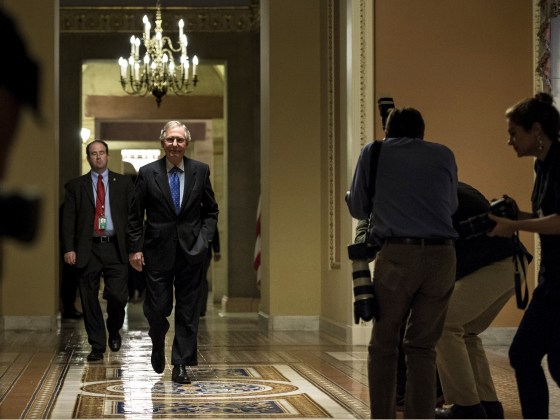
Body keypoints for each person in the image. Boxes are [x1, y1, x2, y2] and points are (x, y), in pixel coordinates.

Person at [347, 107, 458, 418]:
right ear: (422, 132)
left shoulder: (375, 151)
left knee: (384, 344)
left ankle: (382, 416)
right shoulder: (444, 154)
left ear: (388, 132)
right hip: (442, 257)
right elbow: (451, 205)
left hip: (399, 256)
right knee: (423, 347)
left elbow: (358, 207)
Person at [128, 120, 219, 385]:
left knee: (188, 311)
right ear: (162, 142)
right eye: (170, 140)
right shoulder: (147, 173)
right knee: (158, 308)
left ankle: (181, 363)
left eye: (179, 140)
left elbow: (211, 211)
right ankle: (157, 338)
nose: (175, 145)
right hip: (157, 251)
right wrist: (135, 248)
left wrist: (204, 241)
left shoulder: (200, 171)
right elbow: (135, 216)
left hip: (192, 252)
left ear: (186, 143)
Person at [488, 92, 560, 419]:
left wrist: (515, 224)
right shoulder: (542, 165)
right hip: (553, 279)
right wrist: (517, 215)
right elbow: (548, 215)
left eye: (513, 133)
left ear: (536, 130)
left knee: (525, 354)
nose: (509, 141)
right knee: (547, 361)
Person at [434, 181, 529, 419]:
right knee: (466, 332)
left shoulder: (437, 193)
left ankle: (465, 407)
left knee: (443, 324)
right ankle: (488, 405)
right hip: (512, 262)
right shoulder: (453, 188)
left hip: (496, 264)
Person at [61, 140, 134, 362]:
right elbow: (69, 219)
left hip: (116, 247)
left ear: (108, 156)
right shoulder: (76, 186)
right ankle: (97, 345)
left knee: (118, 296)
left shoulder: (123, 184)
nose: (98, 157)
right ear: (88, 158)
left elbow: (133, 219)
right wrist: (69, 248)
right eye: (93, 154)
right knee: (89, 299)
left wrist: (135, 248)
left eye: (102, 153)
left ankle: (113, 329)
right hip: (88, 248)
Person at [200, 228, 221, 317]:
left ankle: (200, 308)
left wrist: (216, 250)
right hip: (194, 252)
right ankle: (199, 308)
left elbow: (213, 231)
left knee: (201, 279)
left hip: (203, 253)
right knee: (200, 279)